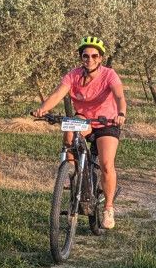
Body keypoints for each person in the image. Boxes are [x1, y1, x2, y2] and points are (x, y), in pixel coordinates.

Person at [31, 36, 127, 229]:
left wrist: (121, 113)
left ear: (100, 58)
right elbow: (58, 94)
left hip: (107, 121)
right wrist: (44, 109)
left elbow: (119, 95)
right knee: (70, 130)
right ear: (81, 57)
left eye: (94, 56)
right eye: (85, 56)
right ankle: (72, 172)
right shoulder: (73, 75)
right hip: (85, 118)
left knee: (107, 164)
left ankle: (108, 207)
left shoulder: (109, 74)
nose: (89, 59)